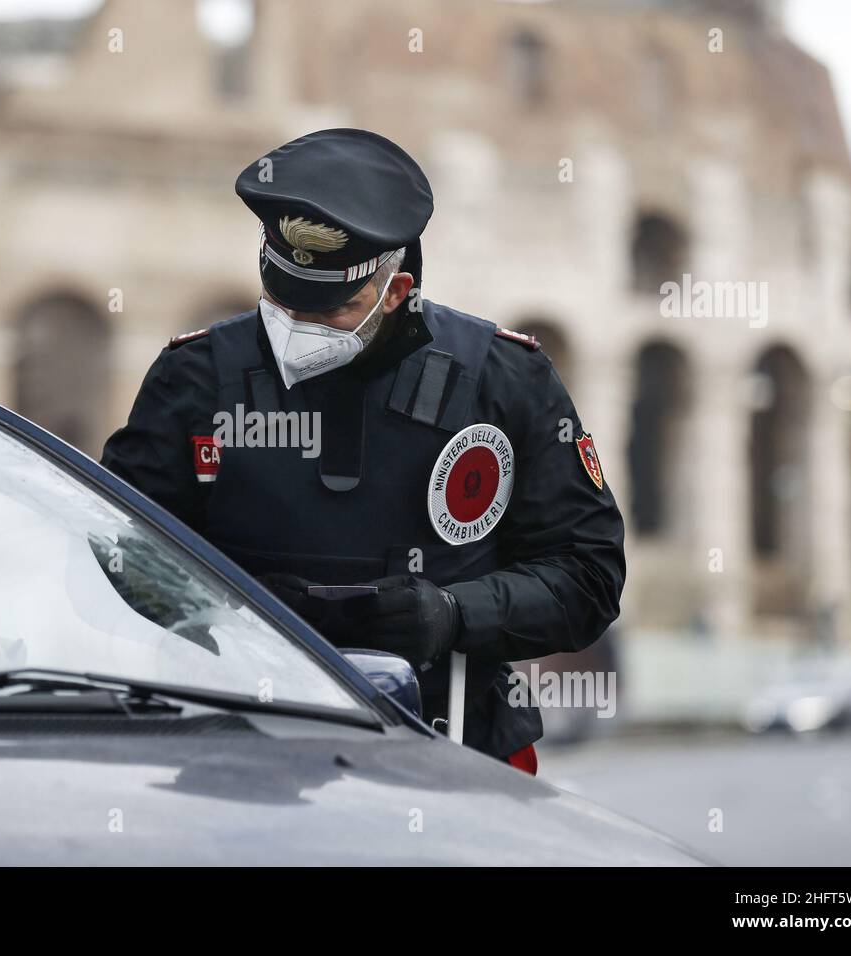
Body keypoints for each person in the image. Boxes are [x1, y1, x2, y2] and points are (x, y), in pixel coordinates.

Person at [101, 129, 626, 772]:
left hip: (456, 755)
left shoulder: (503, 378)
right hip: (233, 753)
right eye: (281, 304)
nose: (299, 330)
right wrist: (231, 610)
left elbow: (589, 575)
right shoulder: (196, 377)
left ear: (395, 290)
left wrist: (454, 615)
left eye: (336, 310)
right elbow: (120, 552)